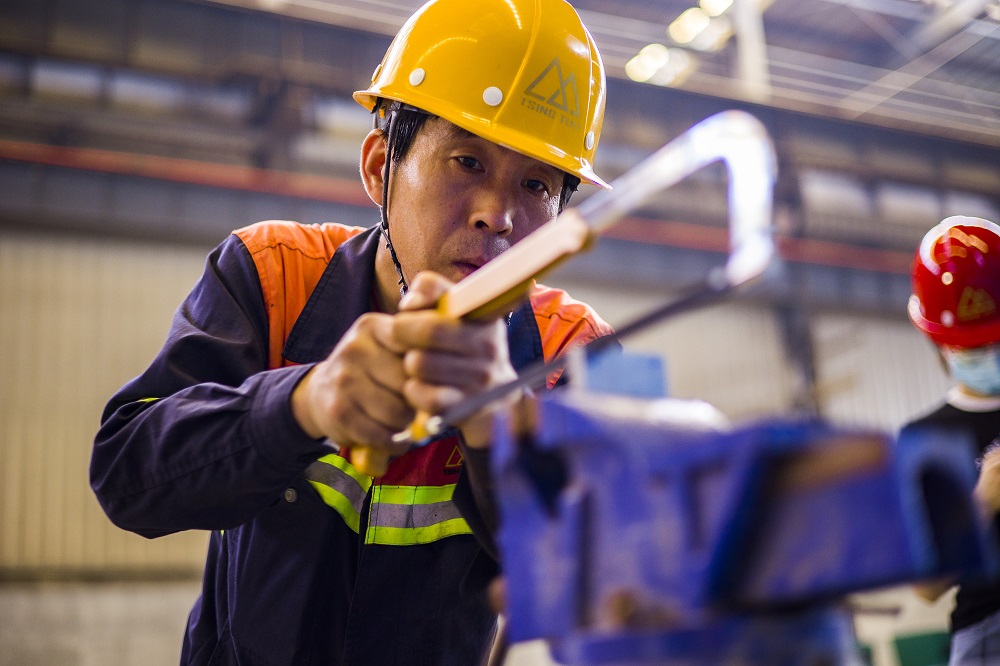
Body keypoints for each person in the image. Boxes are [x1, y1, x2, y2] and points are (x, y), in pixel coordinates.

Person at [89, 0, 615, 663]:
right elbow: (127, 476)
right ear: (379, 167)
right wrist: (302, 403)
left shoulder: (572, 353)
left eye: (536, 185)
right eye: (467, 162)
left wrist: (497, 424)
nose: (498, 216)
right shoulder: (272, 276)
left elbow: (601, 576)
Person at [902, 215, 1000, 665]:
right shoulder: (927, 438)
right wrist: (981, 501)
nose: (988, 355)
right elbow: (925, 585)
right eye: (973, 348)